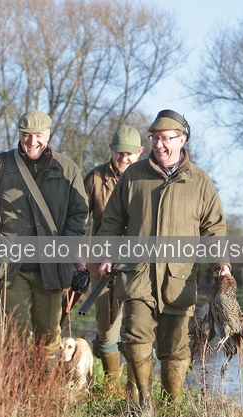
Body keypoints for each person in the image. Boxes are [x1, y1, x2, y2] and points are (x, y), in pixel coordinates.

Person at [99, 110, 230, 408]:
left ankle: (172, 409)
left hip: (178, 279)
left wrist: (221, 263)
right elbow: (112, 220)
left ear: (182, 140)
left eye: (166, 138)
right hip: (137, 275)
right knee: (134, 337)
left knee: (176, 348)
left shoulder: (199, 181)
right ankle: (144, 407)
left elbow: (214, 229)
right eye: (155, 138)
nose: (159, 144)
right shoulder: (134, 175)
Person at [0, 110, 90, 359]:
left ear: (48, 134)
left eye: (38, 135)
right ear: (19, 134)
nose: (32, 141)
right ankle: (17, 384)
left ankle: (44, 383)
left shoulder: (67, 169)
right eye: (26, 135)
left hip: (51, 267)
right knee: (16, 336)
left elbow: (79, 213)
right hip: (10, 268)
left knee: (49, 339)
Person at [83, 125, 144, 396]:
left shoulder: (148, 179)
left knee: (137, 330)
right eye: (120, 153)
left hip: (138, 269)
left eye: (130, 154)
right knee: (107, 332)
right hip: (102, 268)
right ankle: (111, 388)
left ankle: (135, 390)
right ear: (111, 150)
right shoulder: (95, 178)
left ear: (140, 152)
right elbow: (78, 218)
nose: (124, 158)